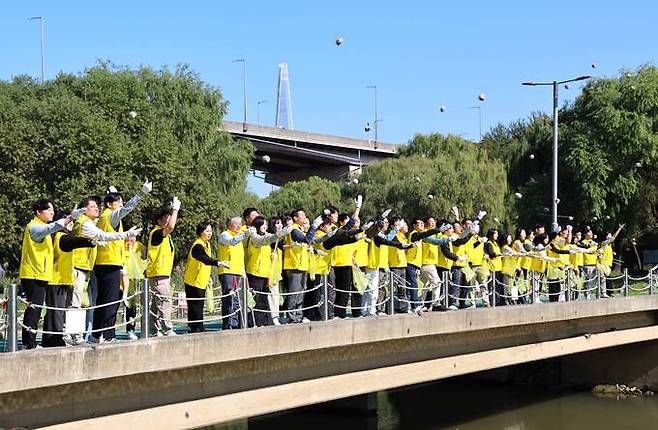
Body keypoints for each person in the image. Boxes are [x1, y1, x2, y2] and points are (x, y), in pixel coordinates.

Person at [90, 181, 150, 343]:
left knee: (101, 300)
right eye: (119, 202)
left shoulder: (102, 217)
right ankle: (109, 336)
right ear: (110, 204)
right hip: (111, 263)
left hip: (101, 262)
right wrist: (141, 193)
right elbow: (127, 208)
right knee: (110, 301)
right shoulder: (111, 215)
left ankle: (96, 335)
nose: (122, 205)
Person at [19, 199, 71, 349]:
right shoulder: (34, 227)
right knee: (33, 309)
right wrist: (69, 218)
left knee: (37, 309)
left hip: (41, 274)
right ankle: (29, 343)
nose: (52, 213)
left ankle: (30, 341)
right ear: (38, 212)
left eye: (53, 210)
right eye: (49, 210)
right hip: (33, 274)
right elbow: (52, 227)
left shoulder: (43, 227)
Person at [43, 217, 97, 348]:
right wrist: (91, 242)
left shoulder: (59, 236)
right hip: (59, 278)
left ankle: (53, 338)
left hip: (66, 277)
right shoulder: (61, 237)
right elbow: (75, 242)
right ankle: (62, 337)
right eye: (68, 221)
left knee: (60, 309)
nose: (71, 224)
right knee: (63, 308)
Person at [244, 216, 292, 326]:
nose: (265, 227)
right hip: (255, 272)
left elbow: (272, 239)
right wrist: (276, 235)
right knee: (256, 300)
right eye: (262, 224)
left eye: (266, 224)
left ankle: (263, 323)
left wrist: (280, 234)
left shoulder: (267, 235)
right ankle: (254, 323)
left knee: (264, 300)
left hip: (265, 273)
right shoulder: (254, 237)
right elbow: (263, 241)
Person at [183, 220, 229, 333]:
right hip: (193, 281)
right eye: (207, 231)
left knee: (199, 305)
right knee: (195, 307)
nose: (210, 233)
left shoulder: (206, 244)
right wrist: (217, 263)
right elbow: (204, 259)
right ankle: (196, 328)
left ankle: (197, 327)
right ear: (200, 232)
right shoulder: (198, 245)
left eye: (211, 231)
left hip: (201, 281)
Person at [145, 198, 180, 336]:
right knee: (164, 301)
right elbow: (170, 227)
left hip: (162, 274)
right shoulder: (157, 233)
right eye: (165, 219)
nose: (168, 221)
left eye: (169, 218)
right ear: (159, 221)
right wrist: (176, 209)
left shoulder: (167, 237)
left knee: (156, 302)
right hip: (158, 274)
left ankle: (152, 329)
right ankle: (167, 328)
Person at [282, 209, 321, 323]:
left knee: (300, 293)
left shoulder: (300, 229)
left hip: (302, 265)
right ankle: (292, 317)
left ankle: (298, 316)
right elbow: (306, 239)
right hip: (294, 265)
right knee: (294, 293)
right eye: (302, 215)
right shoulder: (293, 229)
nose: (304, 217)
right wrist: (314, 227)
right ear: (295, 218)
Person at [217, 216, 252, 329]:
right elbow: (232, 242)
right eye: (236, 224)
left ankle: (235, 323)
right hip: (227, 271)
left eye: (240, 224)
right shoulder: (225, 235)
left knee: (237, 299)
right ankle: (228, 324)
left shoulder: (239, 238)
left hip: (238, 272)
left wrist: (244, 273)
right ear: (229, 225)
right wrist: (245, 235)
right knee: (229, 298)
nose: (238, 226)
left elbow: (240, 258)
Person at [121, 234, 144, 340]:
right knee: (115, 305)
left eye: (134, 236)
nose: (132, 239)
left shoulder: (140, 246)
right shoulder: (122, 246)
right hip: (120, 281)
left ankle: (131, 329)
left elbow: (143, 259)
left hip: (133, 281)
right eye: (130, 236)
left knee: (131, 307)